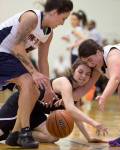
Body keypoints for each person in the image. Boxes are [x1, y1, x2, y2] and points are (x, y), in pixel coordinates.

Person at [0, 0, 73, 148]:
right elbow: (17, 46)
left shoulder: (49, 33)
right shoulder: (31, 18)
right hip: (4, 53)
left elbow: (43, 61)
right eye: (63, 18)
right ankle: (24, 133)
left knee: (34, 88)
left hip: (10, 58)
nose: (63, 23)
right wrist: (33, 73)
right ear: (54, 13)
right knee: (28, 80)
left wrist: (47, 88)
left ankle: (14, 134)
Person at [0, 59, 107, 144]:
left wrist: (88, 138)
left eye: (87, 74)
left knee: (53, 136)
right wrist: (95, 123)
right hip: (19, 108)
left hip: (35, 114)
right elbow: (70, 108)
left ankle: (17, 135)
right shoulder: (64, 82)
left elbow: (76, 116)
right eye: (80, 72)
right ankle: (12, 131)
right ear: (73, 70)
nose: (83, 76)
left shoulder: (75, 94)